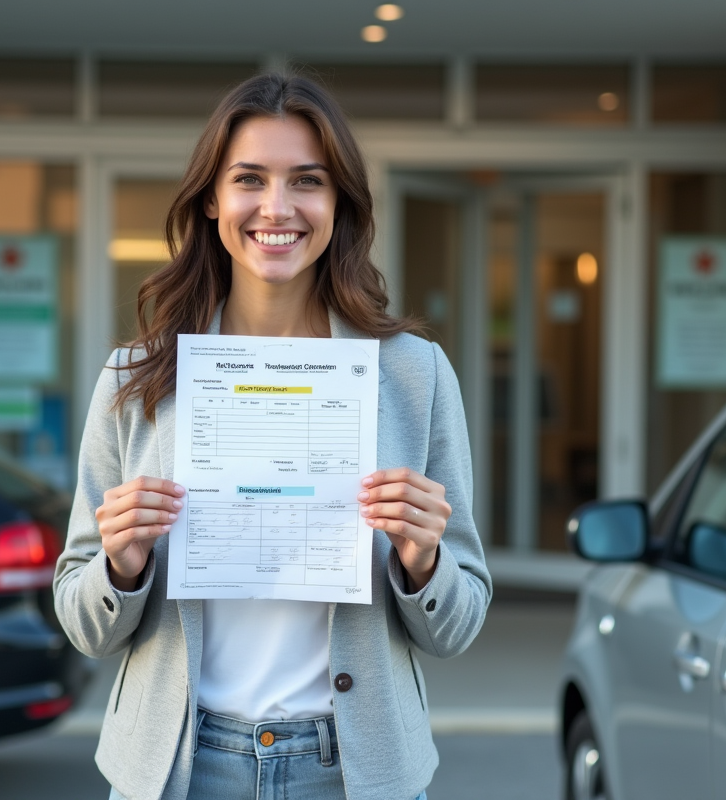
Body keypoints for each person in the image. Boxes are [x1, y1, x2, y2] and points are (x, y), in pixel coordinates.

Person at [54, 73, 492, 800]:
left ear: (338, 204)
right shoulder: (137, 379)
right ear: (211, 200)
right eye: (250, 179)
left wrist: (423, 562)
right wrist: (121, 567)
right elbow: (81, 619)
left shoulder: (414, 376)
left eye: (307, 181)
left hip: (356, 769)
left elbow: (459, 624)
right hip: (182, 768)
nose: (277, 207)